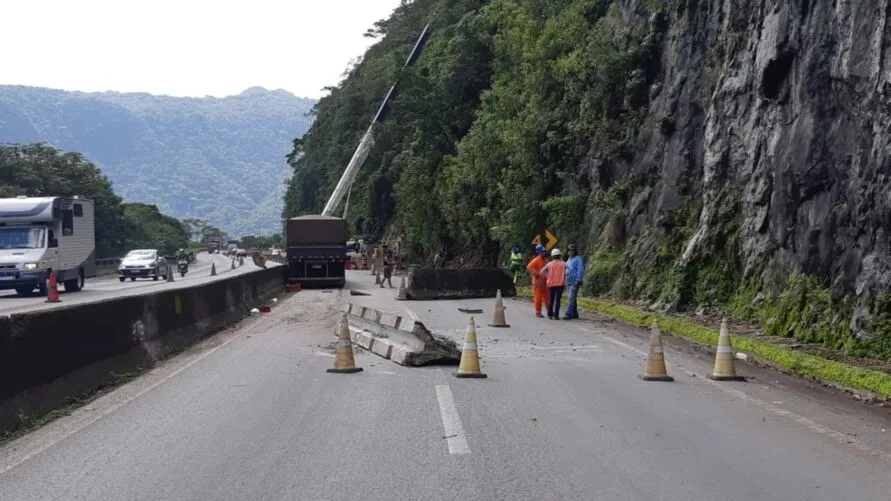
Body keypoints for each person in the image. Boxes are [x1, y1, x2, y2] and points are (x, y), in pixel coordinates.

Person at [540, 248, 567, 320]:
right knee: (557, 300)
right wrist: (564, 274)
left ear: (552, 256)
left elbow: (541, 271)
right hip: (560, 284)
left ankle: (550, 314)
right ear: (559, 255)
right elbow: (570, 269)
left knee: (551, 299)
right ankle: (556, 315)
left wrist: (547, 275)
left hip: (551, 284)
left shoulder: (549, 264)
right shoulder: (563, 263)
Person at [525, 244, 550, 318]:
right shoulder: (536, 260)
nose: (544, 253)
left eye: (544, 251)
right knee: (538, 297)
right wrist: (537, 274)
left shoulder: (546, 260)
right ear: (539, 252)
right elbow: (529, 267)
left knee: (547, 297)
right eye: (542, 251)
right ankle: (538, 312)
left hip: (545, 282)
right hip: (538, 282)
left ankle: (549, 310)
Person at [563, 244, 584, 320]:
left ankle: (568, 313)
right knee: (572, 298)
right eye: (569, 250)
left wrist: (579, 280)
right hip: (568, 281)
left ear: (575, 251)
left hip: (575, 281)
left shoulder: (578, 259)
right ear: (567, 251)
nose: (571, 252)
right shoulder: (569, 259)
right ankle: (574, 313)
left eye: (573, 250)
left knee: (571, 298)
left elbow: (580, 270)